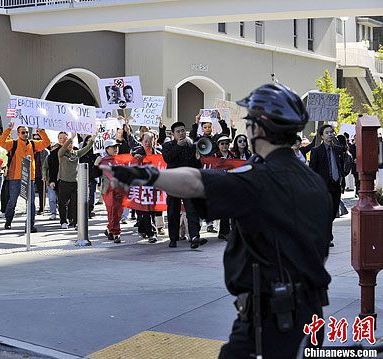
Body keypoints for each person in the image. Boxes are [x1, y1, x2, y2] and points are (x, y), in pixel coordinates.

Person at [102, 83, 332, 359]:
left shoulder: (258, 178)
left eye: (249, 122)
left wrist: (146, 175)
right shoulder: (314, 182)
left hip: (270, 321)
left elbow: (196, 182)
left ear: (258, 128)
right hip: (311, 314)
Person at [0, 124, 51, 231]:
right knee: (12, 201)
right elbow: (1, 142)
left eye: (26, 132)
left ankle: (30, 225)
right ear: (18, 134)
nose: (25, 134)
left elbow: (47, 143)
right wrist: (8, 129)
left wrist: (41, 132)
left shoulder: (32, 143)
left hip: (29, 178)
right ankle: (8, 221)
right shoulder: (13, 143)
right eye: (23, 132)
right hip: (15, 177)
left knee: (30, 202)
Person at [161, 121, 203, 249]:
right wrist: (178, 147)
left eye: (183, 130)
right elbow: (168, 158)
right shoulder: (168, 145)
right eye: (178, 131)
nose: (181, 133)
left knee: (192, 210)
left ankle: (195, 236)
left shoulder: (191, 146)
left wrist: (197, 159)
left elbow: (196, 166)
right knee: (173, 211)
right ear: (173, 134)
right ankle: (173, 238)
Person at [309, 124, 344, 246]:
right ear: (322, 136)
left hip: (336, 185)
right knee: (326, 212)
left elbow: (341, 166)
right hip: (323, 186)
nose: (330, 134)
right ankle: (326, 236)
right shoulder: (316, 151)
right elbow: (312, 170)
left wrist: (342, 179)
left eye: (331, 132)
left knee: (333, 211)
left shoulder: (338, 149)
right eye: (327, 133)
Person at [57, 133, 95, 229]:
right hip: (64, 182)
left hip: (75, 182)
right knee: (62, 203)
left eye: (71, 143)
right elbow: (63, 148)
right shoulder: (61, 153)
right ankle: (63, 221)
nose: (69, 145)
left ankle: (76, 222)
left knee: (75, 204)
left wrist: (93, 139)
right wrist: (71, 138)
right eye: (67, 143)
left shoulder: (76, 153)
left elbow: (87, 148)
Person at [131, 132, 161, 243]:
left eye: (150, 141)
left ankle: (143, 228)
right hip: (141, 188)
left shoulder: (158, 154)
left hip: (153, 187)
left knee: (151, 210)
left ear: (154, 141)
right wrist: (135, 158)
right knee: (144, 211)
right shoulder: (137, 153)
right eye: (145, 141)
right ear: (142, 142)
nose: (148, 143)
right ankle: (152, 233)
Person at [95, 139, 124, 243]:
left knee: (119, 212)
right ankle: (116, 233)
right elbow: (94, 175)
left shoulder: (121, 159)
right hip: (108, 190)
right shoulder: (102, 160)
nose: (116, 149)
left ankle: (109, 229)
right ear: (107, 149)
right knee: (112, 211)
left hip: (120, 189)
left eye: (117, 146)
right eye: (113, 147)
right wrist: (96, 165)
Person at [43, 132, 68, 221]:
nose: (63, 140)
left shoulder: (70, 151)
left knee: (64, 200)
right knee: (52, 197)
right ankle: (53, 212)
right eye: (60, 138)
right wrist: (51, 179)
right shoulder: (53, 153)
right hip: (54, 178)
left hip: (66, 179)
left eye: (65, 138)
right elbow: (50, 167)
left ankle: (66, 216)